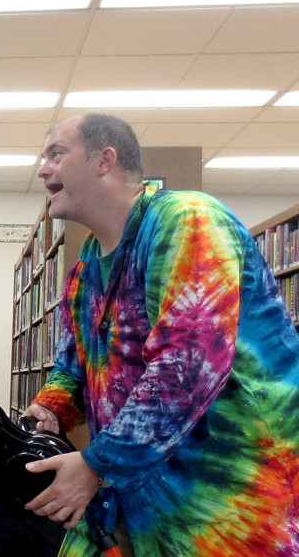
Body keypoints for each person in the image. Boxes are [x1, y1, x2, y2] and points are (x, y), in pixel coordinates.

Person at [21, 113, 299, 557]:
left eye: (56, 154)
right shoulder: (87, 266)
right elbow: (75, 365)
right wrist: (49, 411)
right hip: (136, 490)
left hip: (227, 500)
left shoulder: (188, 221)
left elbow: (188, 366)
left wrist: (95, 466)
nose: (42, 169)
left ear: (104, 160)